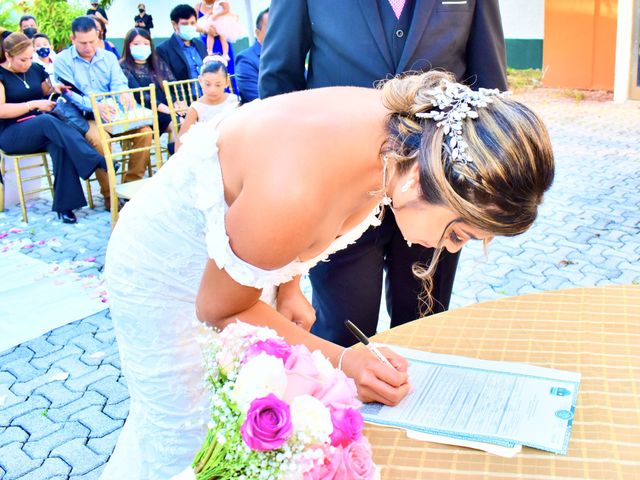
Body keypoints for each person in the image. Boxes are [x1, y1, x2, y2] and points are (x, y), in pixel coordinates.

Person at [101, 69, 554, 477]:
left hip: (247, 251)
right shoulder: (294, 192)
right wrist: (342, 359)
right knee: (187, 427)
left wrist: (289, 283)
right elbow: (220, 310)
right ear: (419, 183)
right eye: (459, 237)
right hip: (169, 275)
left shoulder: (409, 137)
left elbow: (284, 228)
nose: (446, 248)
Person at [260, 0, 509, 347]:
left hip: (438, 196)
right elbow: (280, 82)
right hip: (340, 192)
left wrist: (483, 190)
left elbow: (488, 84)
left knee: (424, 330)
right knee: (343, 332)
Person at [0, 33, 107, 224]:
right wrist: (32, 105)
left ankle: (65, 207)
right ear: (8, 56)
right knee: (47, 121)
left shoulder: (34, 69)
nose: (27, 63)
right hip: (11, 133)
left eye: (30, 57)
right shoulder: (1, 76)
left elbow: (43, 90)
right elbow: (1, 110)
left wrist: (55, 89)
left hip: (41, 129)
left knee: (59, 145)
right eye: (22, 60)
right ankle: (95, 159)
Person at [55, 16, 151, 212]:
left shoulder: (108, 57)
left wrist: (123, 93)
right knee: (100, 143)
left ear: (98, 36)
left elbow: (118, 82)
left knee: (145, 133)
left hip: (113, 111)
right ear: (73, 39)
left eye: (93, 41)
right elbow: (70, 94)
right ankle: (109, 194)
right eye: (83, 43)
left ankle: (131, 186)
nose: (89, 47)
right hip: (84, 116)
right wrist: (94, 106)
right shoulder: (63, 60)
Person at [119, 28, 176, 142]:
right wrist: (164, 108)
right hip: (146, 112)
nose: (142, 47)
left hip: (167, 107)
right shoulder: (123, 67)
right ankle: (176, 154)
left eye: (146, 44)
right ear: (128, 45)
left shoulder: (157, 62)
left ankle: (177, 154)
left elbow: (172, 83)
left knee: (186, 122)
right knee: (176, 123)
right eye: (136, 44)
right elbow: (138, 93)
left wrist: (176, 102)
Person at [175, 59, 237, 151]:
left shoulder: (233, 100)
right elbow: (181, 139)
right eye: (207, 84)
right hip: (205, 151)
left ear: (227, 82)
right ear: (200, 80)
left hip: (231, 147)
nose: (212, 90)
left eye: (218, 85)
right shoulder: (196, 107)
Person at [156, 4, 207, 82]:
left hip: (206, 93)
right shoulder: (163, 50)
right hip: (183, 93)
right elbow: (166, 81)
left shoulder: (200, 44)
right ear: (174, 24)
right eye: (185, 24)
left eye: (192, 23)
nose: (190, 26)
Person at [235, 8, 268, 104]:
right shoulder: (245, 60)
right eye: (272, 27)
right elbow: (259, 100)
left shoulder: (290, 56)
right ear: (258, 33)